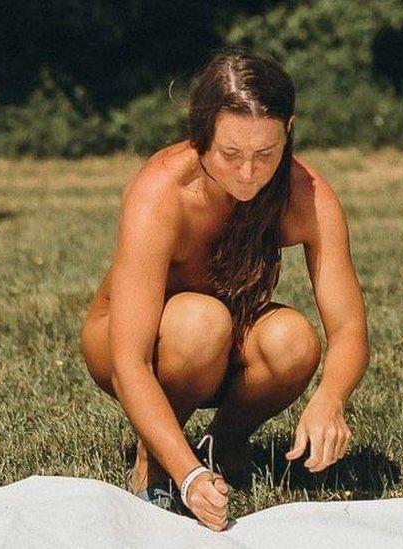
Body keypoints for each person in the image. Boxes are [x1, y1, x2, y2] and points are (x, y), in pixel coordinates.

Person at [80, 48, 369, 532]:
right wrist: (186, 476)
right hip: (127, 346)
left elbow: (349, 327)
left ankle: (223, 444)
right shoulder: (162, 192)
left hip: (223, 340)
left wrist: (330, 399)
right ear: (200, 135)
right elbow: (131, 361)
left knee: (294, 340)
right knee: (201, 321)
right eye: (230, 154)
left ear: (289, 130)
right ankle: (156, 461)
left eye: (266, 154)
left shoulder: (307, 194)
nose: (249, 173)